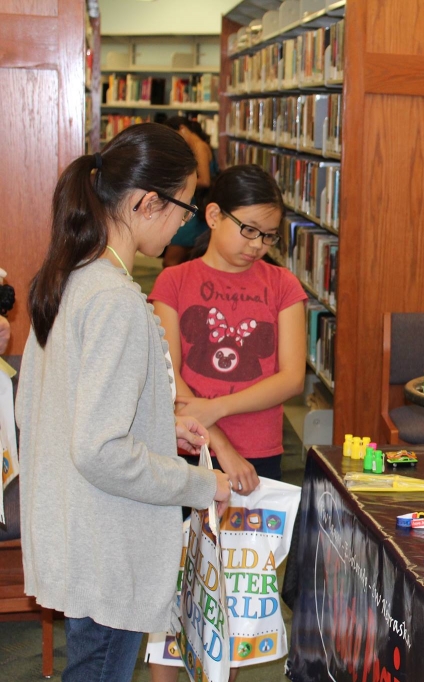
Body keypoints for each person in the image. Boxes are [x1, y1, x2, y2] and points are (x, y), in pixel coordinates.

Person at [15, 123, 231, 682]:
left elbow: (54, 406)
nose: (187, 223)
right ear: (146, 201)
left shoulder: (68, 275)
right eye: (185, 206)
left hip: (74, 524)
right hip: (109, 538)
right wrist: (203, 485)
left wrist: (160, 430)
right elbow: (101, 450)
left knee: (87, 664)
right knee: (99, 669)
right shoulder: (115, 300)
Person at [149, 164, 305, 681]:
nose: (258, 244)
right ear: (213, 215)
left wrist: (217, 408)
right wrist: (219, 441)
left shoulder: (282, 285)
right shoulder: (173, 281)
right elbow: (172, 385)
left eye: (270, 235)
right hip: (186, 452)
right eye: (249, 229)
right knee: (173, 581)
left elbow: (291, 378)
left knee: (233, 590)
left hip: (257, 457)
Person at [162, 116, 218, 267]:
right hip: (194, 207)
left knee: (171, 260)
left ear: (182, 129)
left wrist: (176, 186)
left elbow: (205, 180)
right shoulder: (196, 147)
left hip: (195, 211)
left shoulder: (198, 146)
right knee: (184, 260)